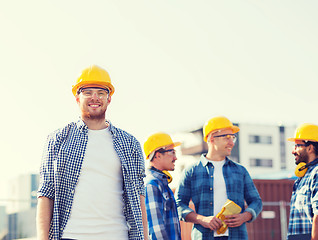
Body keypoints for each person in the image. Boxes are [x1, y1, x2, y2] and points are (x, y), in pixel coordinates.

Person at [36, 65, 148, 240]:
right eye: (88, 92)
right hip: (71, 236)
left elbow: (139, 197)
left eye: (101, 92)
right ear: (77, 97)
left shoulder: (130, 143)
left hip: (117, 235)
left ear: (109, 99)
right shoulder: (58, 140)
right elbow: (46, 193)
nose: (94, 97)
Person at [175, 116, 262, 240]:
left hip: (236, 236)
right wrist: (202, 219)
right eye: (227, 137)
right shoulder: (191, 171)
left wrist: (245, 216)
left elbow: (256, 201)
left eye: (233, 138)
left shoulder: (240, 171)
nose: (231, 142)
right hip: (204, 236)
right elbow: (178, 205)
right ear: (211, 138)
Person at [143, 132, 182, 240]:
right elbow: (156, 230)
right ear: (158, 155)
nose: (175, 158)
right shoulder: (152, 185)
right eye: (172, 152)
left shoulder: (162, 183)